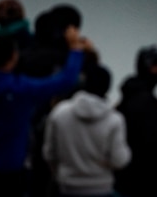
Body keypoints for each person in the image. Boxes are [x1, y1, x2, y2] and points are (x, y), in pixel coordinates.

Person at [0, 29, 91, 197]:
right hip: (10, 169)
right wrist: (75, 50)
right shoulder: (21, 88)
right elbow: (66, 80)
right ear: (14, 57)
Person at [43, 64, 131, 197]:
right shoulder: (114, 120)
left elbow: (49, 153)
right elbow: (119, 160)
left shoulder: (60, 113)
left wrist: (60, 174)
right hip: (101, 187)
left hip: (67, 187)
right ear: (107, 88)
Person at [114, 44, 157, 197]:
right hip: (146, 181)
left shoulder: (128, 96)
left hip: (127, 177)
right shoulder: (148, 102)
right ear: (148, 67)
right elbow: (155, 144)